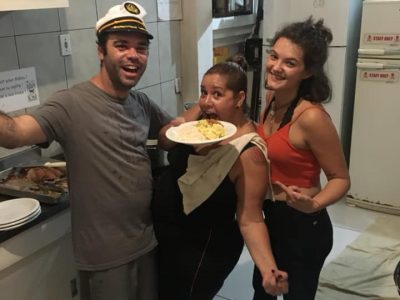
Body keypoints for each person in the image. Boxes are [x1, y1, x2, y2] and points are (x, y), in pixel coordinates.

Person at [0, 2, 172, 299]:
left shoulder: (139, 102)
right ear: (101, 52)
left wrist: (211, 108)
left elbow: (171, 133)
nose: (133, 55)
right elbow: (14, 134)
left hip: (146, 241)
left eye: (141, 47)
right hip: (104, 257)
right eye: (121, 45)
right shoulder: (70, 104)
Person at [154, 55, 288, 300]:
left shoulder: (249, 152)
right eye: (203, 92)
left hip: (205, 248)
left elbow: (251, 219)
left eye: (217, 94)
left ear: (239, 98)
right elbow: (164, 141)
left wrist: (268, 269)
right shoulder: (199, 122)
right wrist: (185, 119)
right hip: (170, 235)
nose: (207, 101)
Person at [252, 17, 351, 300]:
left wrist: (314, 204)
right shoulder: (271, 97)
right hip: (271, 218)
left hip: (304, 226)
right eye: (274, 56)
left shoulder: (311, 118)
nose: (275, 67)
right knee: (262, 292)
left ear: (307, 72)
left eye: (289, 63)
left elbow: (341, 178)